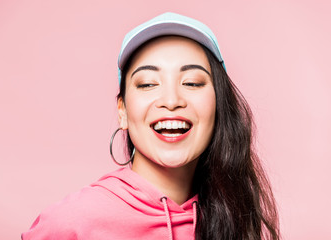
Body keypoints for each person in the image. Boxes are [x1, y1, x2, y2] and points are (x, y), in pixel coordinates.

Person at [22, 12, 280, 240]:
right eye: (147, 84)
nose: (171, 101)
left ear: (219, 105)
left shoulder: (235, 215)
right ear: (122, 112)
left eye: (191, 83)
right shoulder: (72, 223)